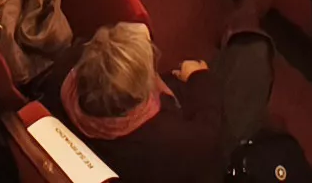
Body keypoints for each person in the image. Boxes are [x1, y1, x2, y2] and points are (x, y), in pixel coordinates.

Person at [61, 12, 277, 183]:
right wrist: (199, 77)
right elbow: (207, 137)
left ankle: (242, 27)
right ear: (139, 93)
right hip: (193, 162)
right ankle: (246, 24)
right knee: (253, 58)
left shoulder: (63, 73)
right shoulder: (167, 141)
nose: (143, 30)